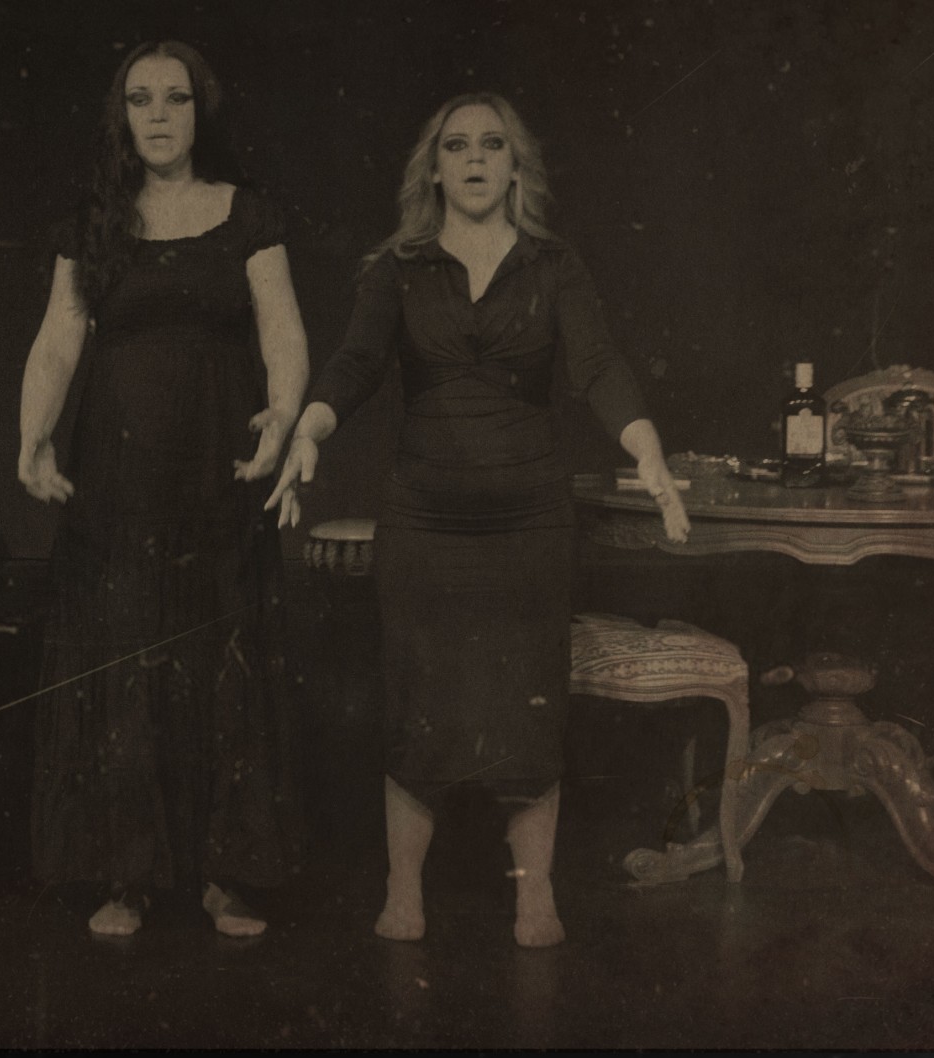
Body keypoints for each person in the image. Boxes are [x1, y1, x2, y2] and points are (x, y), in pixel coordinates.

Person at [267, 92, 691, 948]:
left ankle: (536, 897)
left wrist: (647, 449)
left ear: (515, 166)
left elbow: (598, 365)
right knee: (416, 709)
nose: (473, 160)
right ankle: (404, 894)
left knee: (528, 716)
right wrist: (309, 430)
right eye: (456, 146)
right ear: (433, 169)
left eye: (491, 146)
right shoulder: (398, 268)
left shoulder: (553, 265)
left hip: (530, 527)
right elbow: (355, 362)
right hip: (423, 526)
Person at [18, 40, 309, 938]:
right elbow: (58, 339)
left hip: (220, 468)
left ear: (198, 112)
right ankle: (127, 875)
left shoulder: (247, 214)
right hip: (120, 475)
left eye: (174, 99)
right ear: (122, 117)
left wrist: (283, 414)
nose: (157, 115)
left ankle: (228, 874)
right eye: (140, 99)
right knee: (124, 656)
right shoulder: (94, 224)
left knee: (222, 652)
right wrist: (32, 433)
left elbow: (282, 329)